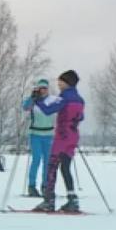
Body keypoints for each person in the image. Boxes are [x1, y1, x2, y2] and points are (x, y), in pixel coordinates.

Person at [33, 70, 86, 213]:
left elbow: (48, 110)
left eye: (60, 82)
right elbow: (81, 117)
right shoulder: (80, 99)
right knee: (65, 168)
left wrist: (37, 101)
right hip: (73, 135)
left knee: (52, 166)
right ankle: (72, 199)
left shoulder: (64, 98)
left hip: (62, 136)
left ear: (67, 82)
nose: (58, 84)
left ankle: (49, 201)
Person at [21, 79, 55, 197]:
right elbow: (25, 107)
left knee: (47, 162)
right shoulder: (33, 101)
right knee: (36, 160)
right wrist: (32, 97)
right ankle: (31, 186)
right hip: (35, 134)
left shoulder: (52, 100)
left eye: (45, 88)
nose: (43, 90)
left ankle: (46, 186)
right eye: (41, 88)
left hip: (49, 135)